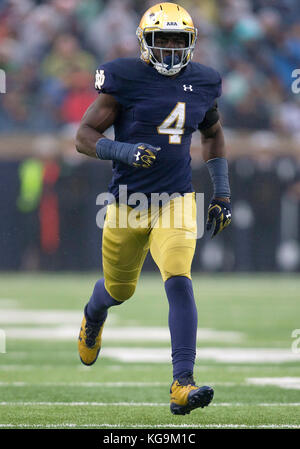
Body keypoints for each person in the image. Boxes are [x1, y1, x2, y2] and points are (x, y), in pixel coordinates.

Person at [75, 2, 232, 416]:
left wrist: (222, 193)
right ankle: (94, 314)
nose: (168, 47)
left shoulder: (203, 82)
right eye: (160, 39)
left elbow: (213, 135)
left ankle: (183, 383)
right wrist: (124, 150)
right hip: (128, 203)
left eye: (177, 40)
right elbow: (83, 135)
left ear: (191, 44)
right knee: (118, 291)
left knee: (179, 278)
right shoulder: (124, 77)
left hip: (176, 200)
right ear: (145, 42)